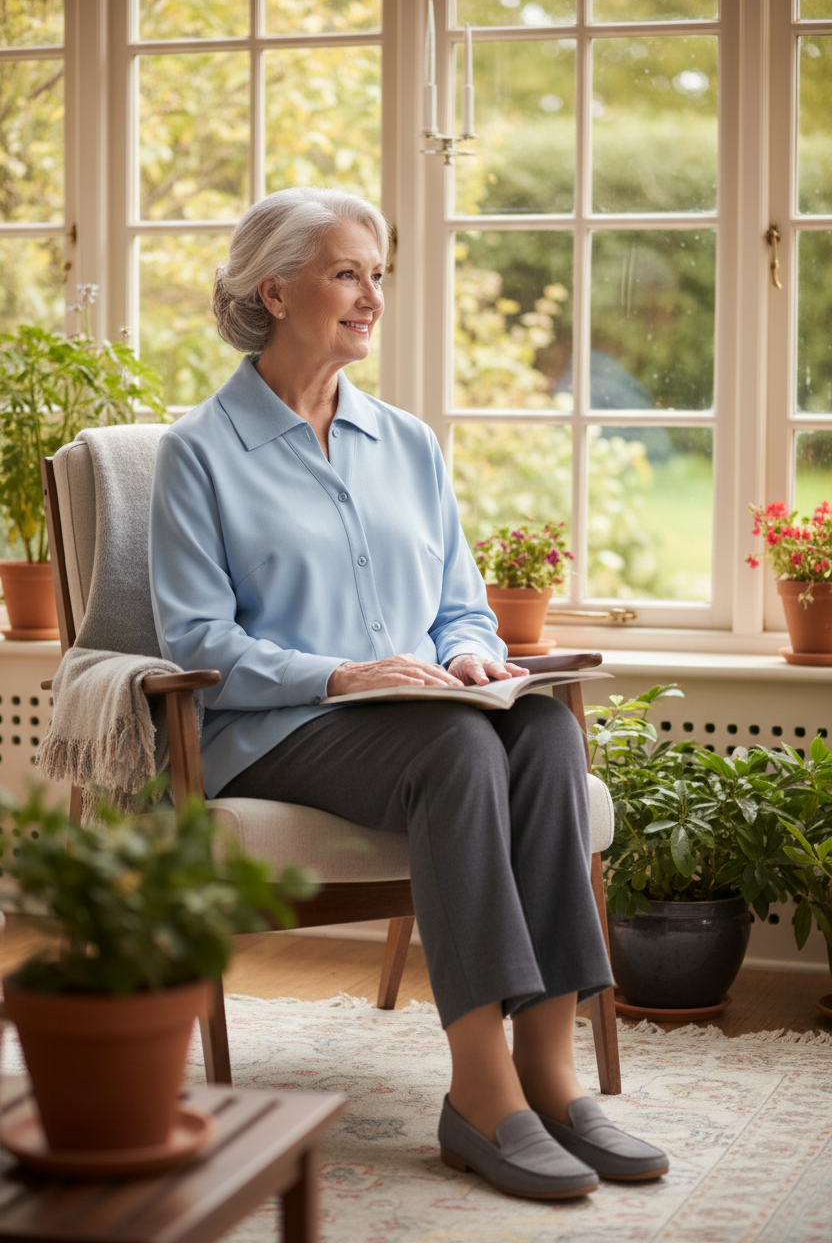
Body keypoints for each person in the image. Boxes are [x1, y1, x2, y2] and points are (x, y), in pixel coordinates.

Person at [149, 186, 668, 1200]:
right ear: (275, 291)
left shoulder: (408, 443)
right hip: (274, 730)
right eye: (346, 273)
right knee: (457, 750)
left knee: (543, 735)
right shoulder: (197, 453)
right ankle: (479, 1093)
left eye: (377, 274)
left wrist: (470, 656)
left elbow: (460, 606)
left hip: (416, 713)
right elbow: (198, 642)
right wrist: (341, 673)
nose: (371, 296)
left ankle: (550, 1079)